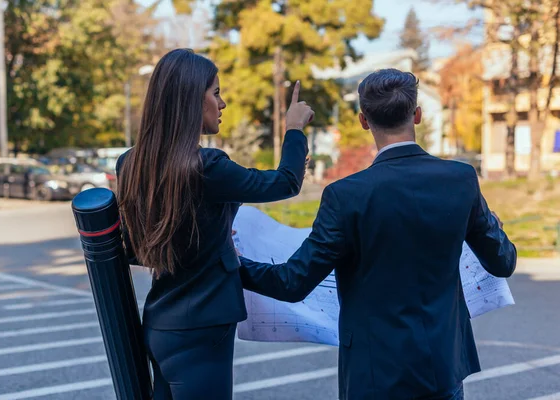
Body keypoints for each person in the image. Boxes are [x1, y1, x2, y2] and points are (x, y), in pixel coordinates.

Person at [238, 68, 517, 400]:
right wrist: (495, 229)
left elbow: (292, 281)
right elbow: (502, 263)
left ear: (363, 120)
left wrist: (234, 263)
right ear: (416, 114)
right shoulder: (461, 179)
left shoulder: (345, 195)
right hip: (443, 367)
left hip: (374, 376)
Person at [115, 48, 314, 400]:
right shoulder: (207, 165)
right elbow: (285, 182)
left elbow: (141, 246)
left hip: (160, 322)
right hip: (204, 326)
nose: (222, 104)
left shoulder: (130, 163)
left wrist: (212, 237)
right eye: (216, 92)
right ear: (193, 98)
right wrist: (294, 128)